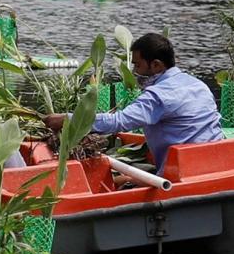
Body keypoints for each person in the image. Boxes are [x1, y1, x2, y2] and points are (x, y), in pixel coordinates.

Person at [69, 31, 222, 174]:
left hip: (184, 171)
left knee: (120, 182)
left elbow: (119, 121)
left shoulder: (158, 95)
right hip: (216, 162)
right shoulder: (199, 85)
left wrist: (70, 120)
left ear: (156, 65)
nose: (135, 72)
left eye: (138, 65)